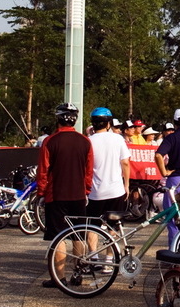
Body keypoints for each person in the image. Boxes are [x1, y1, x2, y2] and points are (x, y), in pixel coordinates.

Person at [37, 104, 93, 285]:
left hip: (56, 195)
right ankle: (77, 274)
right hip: (78, 195)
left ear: (58, 119)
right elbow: (89, 170)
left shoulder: (50, 141)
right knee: (78, 234)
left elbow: (43, 171)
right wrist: (86, 190)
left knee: (58, 236)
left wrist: (41, 192)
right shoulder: (85, 141)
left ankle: (59, 278)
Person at [86, 108, 131, 217]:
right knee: (114, 224)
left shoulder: (88, 141)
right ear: (108, 124)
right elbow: (125, 163)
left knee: (93, 224)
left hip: (95, 192)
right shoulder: (118, 139)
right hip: (116, 190)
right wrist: (126, 185)